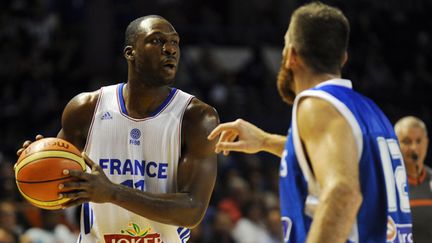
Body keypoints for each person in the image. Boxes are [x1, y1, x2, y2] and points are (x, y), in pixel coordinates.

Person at [208, 2, 412, 242]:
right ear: (343, 58)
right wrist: (265, 141)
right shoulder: (372, 112)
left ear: (292, 55)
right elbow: (337, 159)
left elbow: (343, 193)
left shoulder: (316, 103)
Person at [17, 15, 219, 242]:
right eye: (157, 40)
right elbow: (61, 186)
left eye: (175, 42)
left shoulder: (197, 118)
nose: (170, 49)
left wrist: (112, 192)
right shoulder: (86, 109)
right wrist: (38, 162)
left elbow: (192, 211)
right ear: (130, 53)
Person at [395, 116, 432, 243]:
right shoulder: (389, 186)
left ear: (426, 142)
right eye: (407, 141)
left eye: (418, 141)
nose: (414, 148)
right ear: (394, 144)